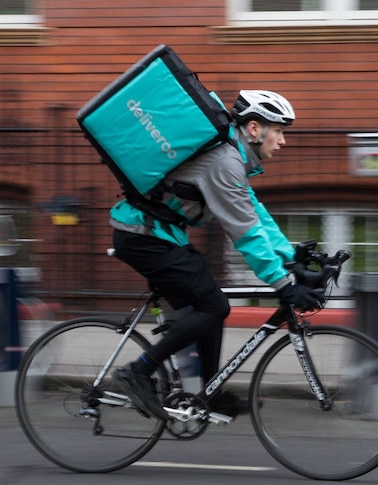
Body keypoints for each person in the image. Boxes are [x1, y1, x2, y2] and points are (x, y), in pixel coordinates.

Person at [110, 90, 326, 420]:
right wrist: (283, 285)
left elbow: (254, 213)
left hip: (160, 235)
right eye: (279, 131)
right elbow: (245, 233)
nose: (282, 141)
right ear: (254, 129)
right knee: (213, 305)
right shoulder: (226, 162)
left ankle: (209, 392)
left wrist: (290, 255)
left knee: (209, 303)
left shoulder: (230, 156)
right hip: (142, 236)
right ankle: (137, 372)